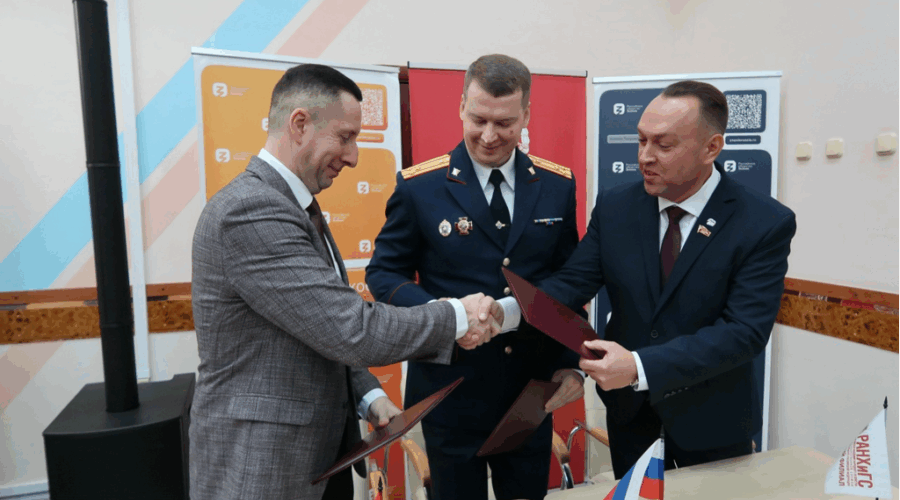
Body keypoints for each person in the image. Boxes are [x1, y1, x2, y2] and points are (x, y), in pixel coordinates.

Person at [189, 63, 500, 500]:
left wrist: (368, 395)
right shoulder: (253, 211)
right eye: (346, 137)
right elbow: (350, 329)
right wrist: (457, 315)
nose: (353, 156)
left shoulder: (295, 205)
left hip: (318, 457)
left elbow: (314, 328)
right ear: (300, 123)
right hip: (261, 465)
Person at [498, 80, 796, 478]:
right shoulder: (617, 206)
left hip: (713, 421)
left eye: (663, 145)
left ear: (711, 148)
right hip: (631, 417)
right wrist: (506, 311)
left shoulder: (763, 222)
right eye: (641, 140)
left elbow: (744, 332)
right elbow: (573, 282)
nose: (645, 157)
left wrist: (639, 366)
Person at [365, 54, 585, 500]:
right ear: (462, 107)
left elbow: (569, 279)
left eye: (504, 123)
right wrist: (444, 316)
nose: (489, 136)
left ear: (526, 115)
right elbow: (384, 272)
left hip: (530, 391)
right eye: (479, 119)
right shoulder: (419, 186)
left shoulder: (556, 185)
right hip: (450, 389)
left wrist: (570, 361)